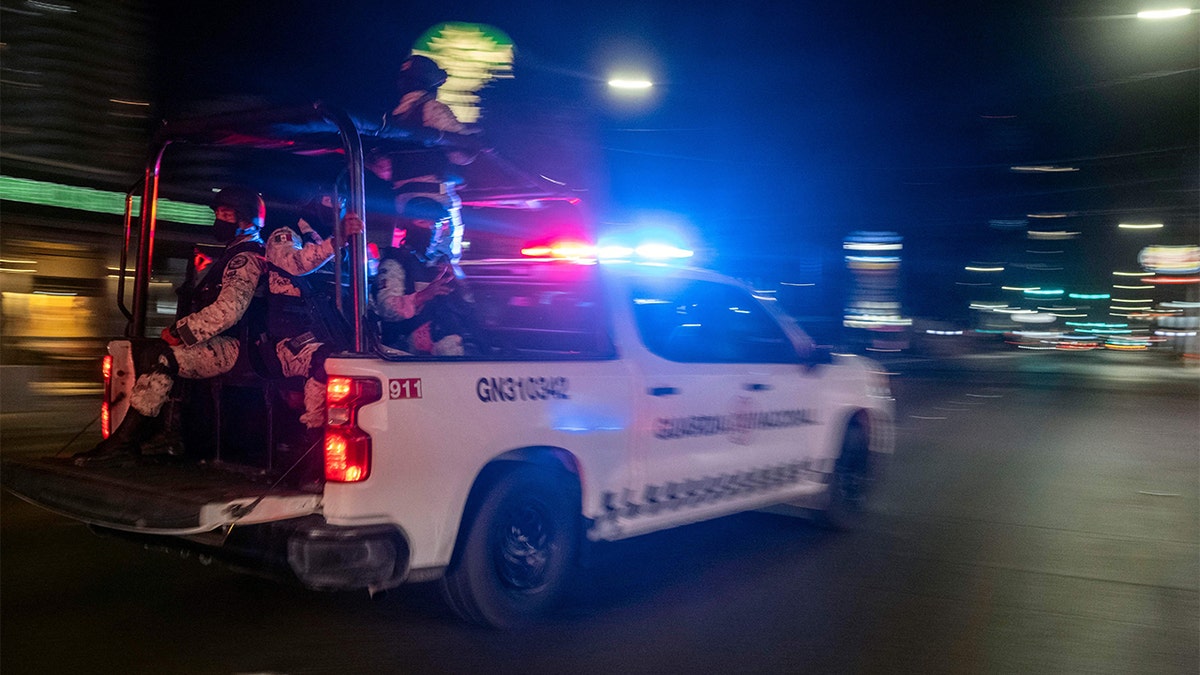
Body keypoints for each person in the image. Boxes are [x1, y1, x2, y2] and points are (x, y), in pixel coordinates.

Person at [75, 187, 269, 465]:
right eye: (217, 212)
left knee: (165, 358)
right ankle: (153, 434)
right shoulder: (231, 254)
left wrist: (182, 332)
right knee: (147, 349)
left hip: (239, 345)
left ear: (245, 219)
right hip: (222, 340)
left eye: (225, 213)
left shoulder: (246, 258)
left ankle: (131, 441)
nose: (217, 218)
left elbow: (228, 312)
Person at [260, 199, 363, 483]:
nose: (337, 205)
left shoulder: (326, 237)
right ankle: (313, 441)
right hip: (290, 340)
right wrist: (337, 238)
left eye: (341, 201)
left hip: (331, 332)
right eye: (332, 199)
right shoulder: (284, 233)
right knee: (326, 360)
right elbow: (295, 264)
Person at [381, 53, 479, 264]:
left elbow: (384, 169)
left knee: (406, 264)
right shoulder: (432, 109)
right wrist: (474, 142)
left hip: (402, 206)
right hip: (437, 203)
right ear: (429, 82)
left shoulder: (391, 118)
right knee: (445, 268)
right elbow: (463, 155)